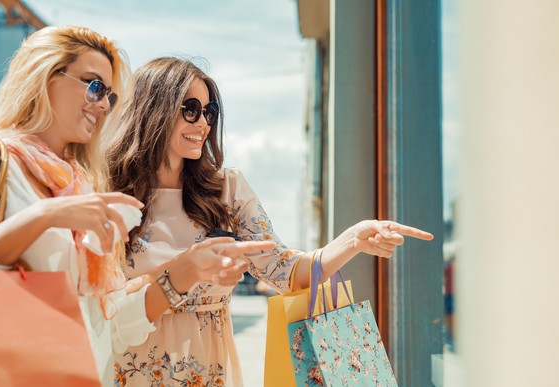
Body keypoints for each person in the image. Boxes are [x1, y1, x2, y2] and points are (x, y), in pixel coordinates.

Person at [107, 56, 434, 386]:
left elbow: (285, 272)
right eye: (191, 108)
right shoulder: (107, 191)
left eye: (210, 112)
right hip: (127, 367)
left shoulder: (227, 190)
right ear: (154, 107)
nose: (204, 123)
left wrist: (352, 240)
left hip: (206, 372)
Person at [0, 26, 273, 386]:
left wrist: (186, 271)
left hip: (80, 371)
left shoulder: (82, 186)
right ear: (44, 74)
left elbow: (111, 320)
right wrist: (45, 215)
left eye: (109, 95)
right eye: (94, 85)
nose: (103, 104)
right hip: (12, 369)